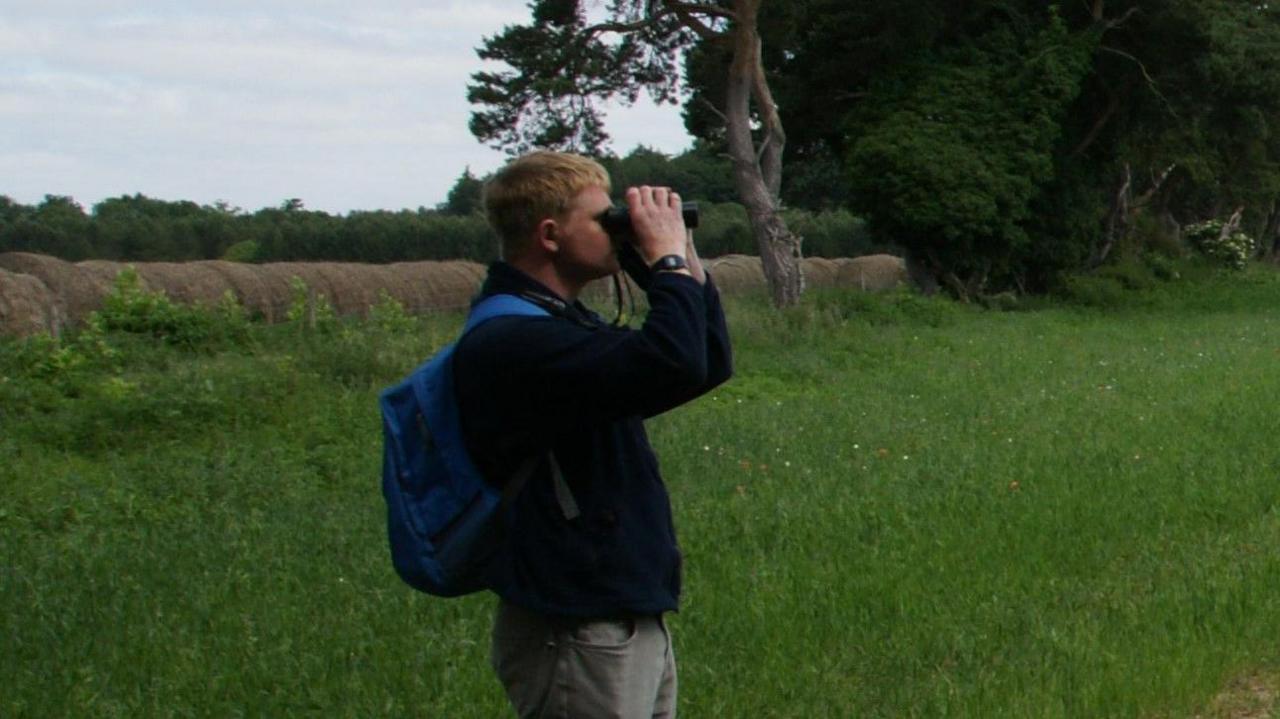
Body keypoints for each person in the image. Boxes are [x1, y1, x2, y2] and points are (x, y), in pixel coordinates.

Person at [452, 150, 732, 718]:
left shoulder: (558, 324)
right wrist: (666, 261)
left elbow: (704, 364)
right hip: (576, 623)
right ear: (550, 235)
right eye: (602, 219)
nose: (617, 228)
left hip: (615, 612)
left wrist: (685, 263)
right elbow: (672, 362)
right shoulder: (513, 339)